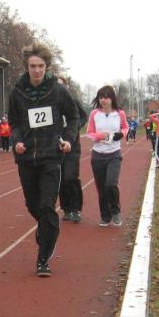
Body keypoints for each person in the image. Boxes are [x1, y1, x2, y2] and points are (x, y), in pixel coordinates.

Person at [8, 42, 78, 277]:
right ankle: (48, 227)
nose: (36, 70)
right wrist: (16, 141)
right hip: (26, 158)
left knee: (47, 206)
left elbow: (74, 116)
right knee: (33, 206)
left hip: (51, 157)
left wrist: (68, 139)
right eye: (32, 66)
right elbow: (14, 123)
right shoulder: (17, 92)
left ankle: (43, 258)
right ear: (26, 67)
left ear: (46, 67)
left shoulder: (58, 91)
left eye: (40, 66)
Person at [86, 84, 128, 226]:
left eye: (106, 97)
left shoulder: (120, 113)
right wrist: (100, 136)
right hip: (98, 155)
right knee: (101, 188)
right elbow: (89, 133)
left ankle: (115, 210)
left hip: (114, 154)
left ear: (112, 98)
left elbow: (125, 127)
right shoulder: (94, 114)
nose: (103, 100)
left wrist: (121, 134)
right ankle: (105, 215)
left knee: (111, 184)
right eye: (101, 97)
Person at [59, 93, 88, 223]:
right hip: (57, 147)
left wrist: (77, 125)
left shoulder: (72, 101)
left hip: (73, 146)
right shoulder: (51, 101)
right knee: (61, 179)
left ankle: (76, 209)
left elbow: (83, 116)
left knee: (70, 177)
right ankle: (66, 209)